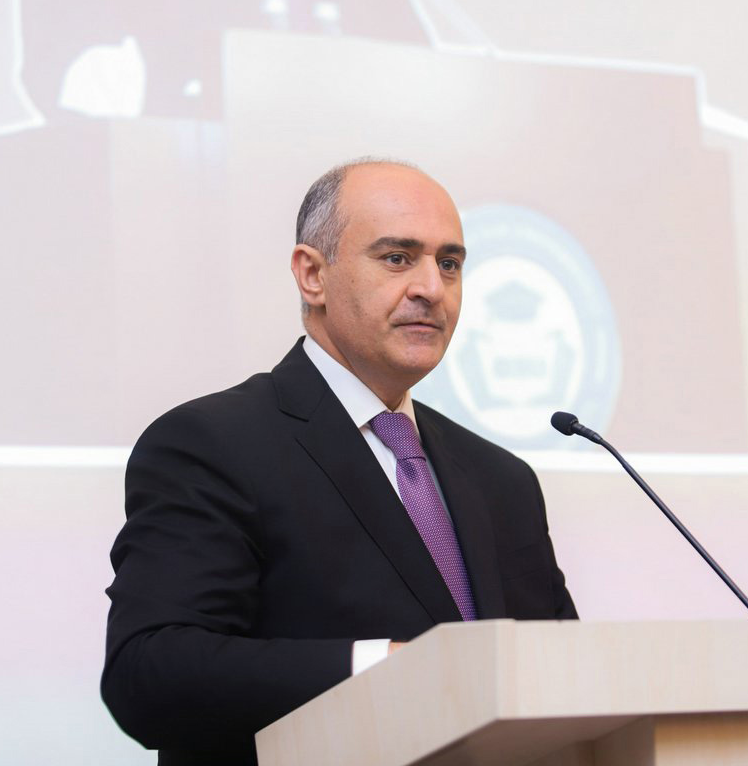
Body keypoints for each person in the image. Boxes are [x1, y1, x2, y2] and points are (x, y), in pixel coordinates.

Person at [101, 158, 577, 765]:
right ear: (312, 275)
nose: (432, 289)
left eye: (449, 264)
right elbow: (149, 674)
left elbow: (564, 681)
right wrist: (384, 667)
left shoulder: (502, 480)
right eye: (398, 258)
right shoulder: (212, 445)